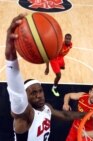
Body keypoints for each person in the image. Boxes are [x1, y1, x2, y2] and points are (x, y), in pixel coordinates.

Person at [5, 13, 85, 141]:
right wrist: (10, 56)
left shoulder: (46, 108)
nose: (38, 95)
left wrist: (88, 114)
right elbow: (16, 93)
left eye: (40, 91)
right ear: (25, 97)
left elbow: (64, 114)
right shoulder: (25, 115)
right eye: (33, 93)